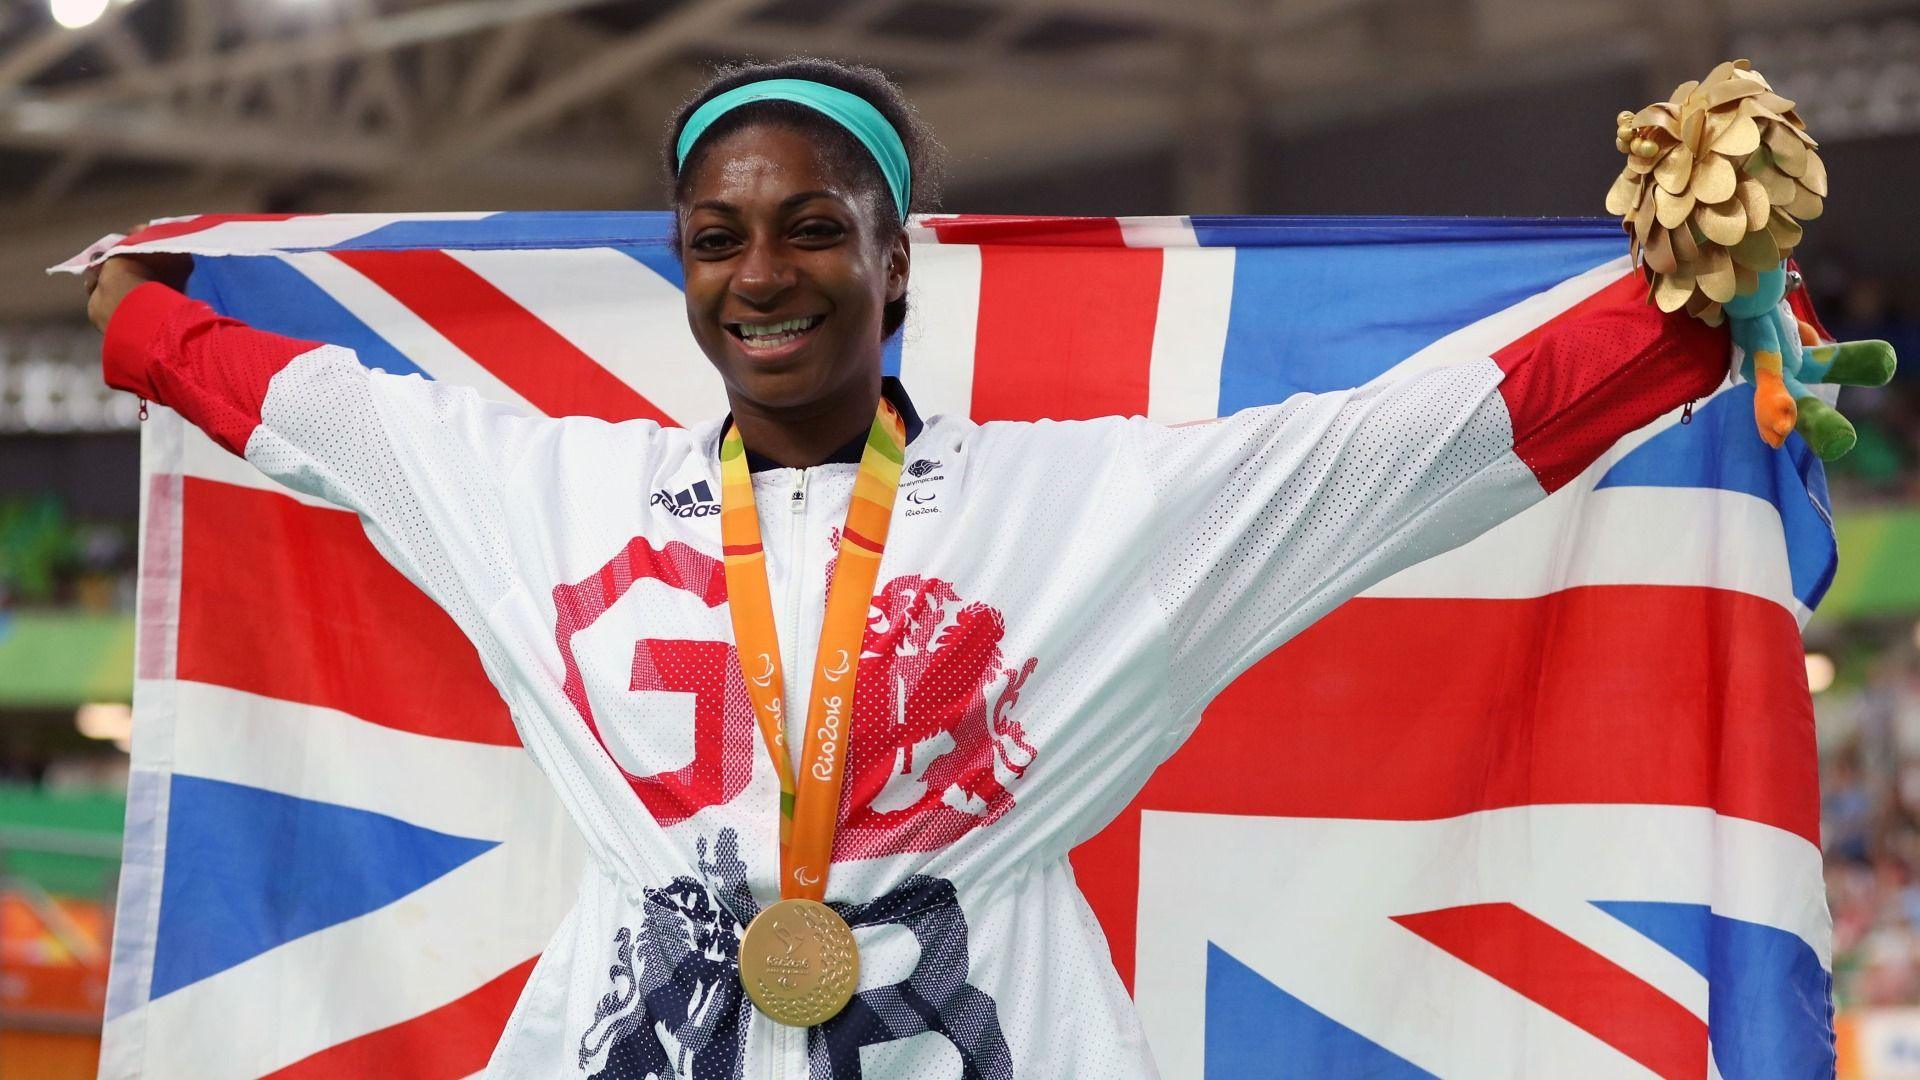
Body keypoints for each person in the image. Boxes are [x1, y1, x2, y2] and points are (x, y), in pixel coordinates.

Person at [84, 56, 1747, 1079]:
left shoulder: (1082, 506)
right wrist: (135, 315)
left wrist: (1686, 305)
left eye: (813, 225)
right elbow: (308, 412)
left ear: (899, 257)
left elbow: (1415, 454)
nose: (762, 273)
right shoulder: (548, 489)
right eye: (717, 237)